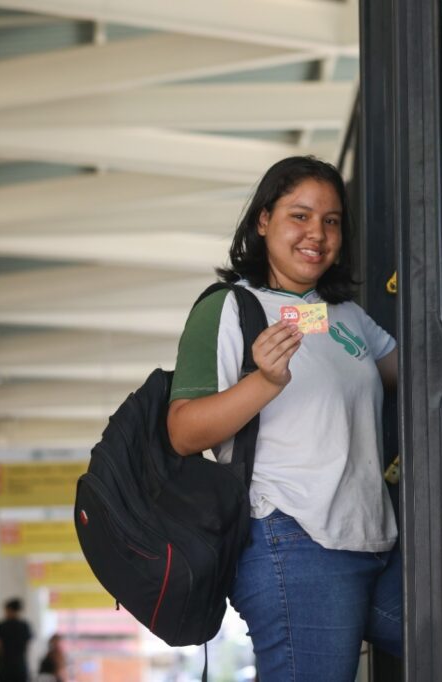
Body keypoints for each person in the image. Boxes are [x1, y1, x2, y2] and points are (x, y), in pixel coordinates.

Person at [166, 155, 401, 682]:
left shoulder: (344, 316)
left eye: (331, 220)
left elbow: (428, 375)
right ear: (263, 221)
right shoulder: (229, 308)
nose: (317, 232)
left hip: (374, 540)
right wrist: (265, 382)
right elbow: (182, 432)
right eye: (300, 215)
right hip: (290, 539)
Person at [0, 598, 32, 682]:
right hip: (20, 666)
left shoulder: (2, 626)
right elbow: (28, 643)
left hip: (5, 667)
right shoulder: (25, 626)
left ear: (9, 609)